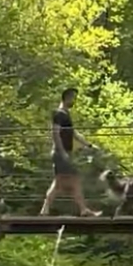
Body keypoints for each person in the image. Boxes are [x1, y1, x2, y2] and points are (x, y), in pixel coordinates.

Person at [40, 87, 100, 216]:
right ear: (66, 98)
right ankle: (83, 210)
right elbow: (55, 134)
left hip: (64, 153)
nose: (74, 100)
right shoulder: (58, 113)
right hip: (60, 153)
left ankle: (45, 209)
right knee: (73, 180)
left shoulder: (66, 114)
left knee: (58, 183)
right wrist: (62, 153)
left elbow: (74, 133)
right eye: (73, 98)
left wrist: (88, 145)